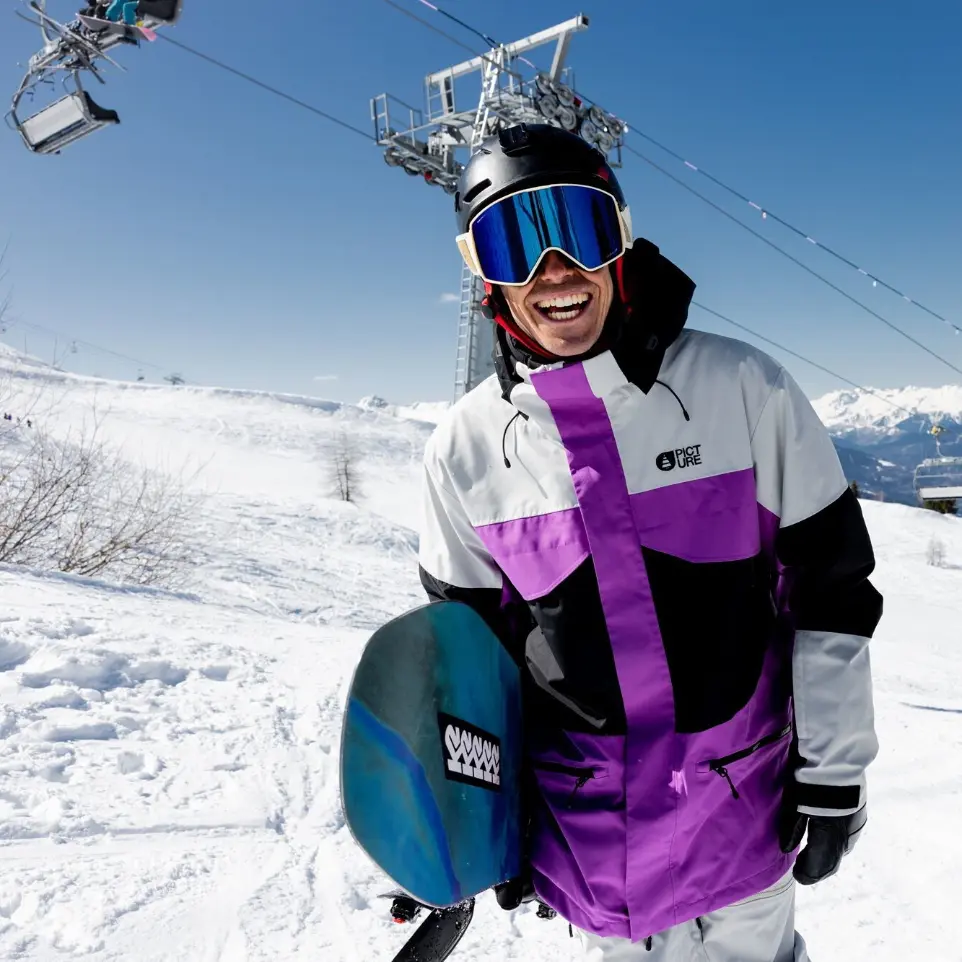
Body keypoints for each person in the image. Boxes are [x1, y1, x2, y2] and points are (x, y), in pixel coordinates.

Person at [417, 123, 882, 961]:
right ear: (482, 275)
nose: (552, 270)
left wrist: (835, 771)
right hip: (586, 835)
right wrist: (483, 818)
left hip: (743, 803)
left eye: (578, 228)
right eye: (513, 241)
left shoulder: (743, 389)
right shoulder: (465, 448)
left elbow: (833, 591)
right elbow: (467, 660)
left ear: (620, 241)